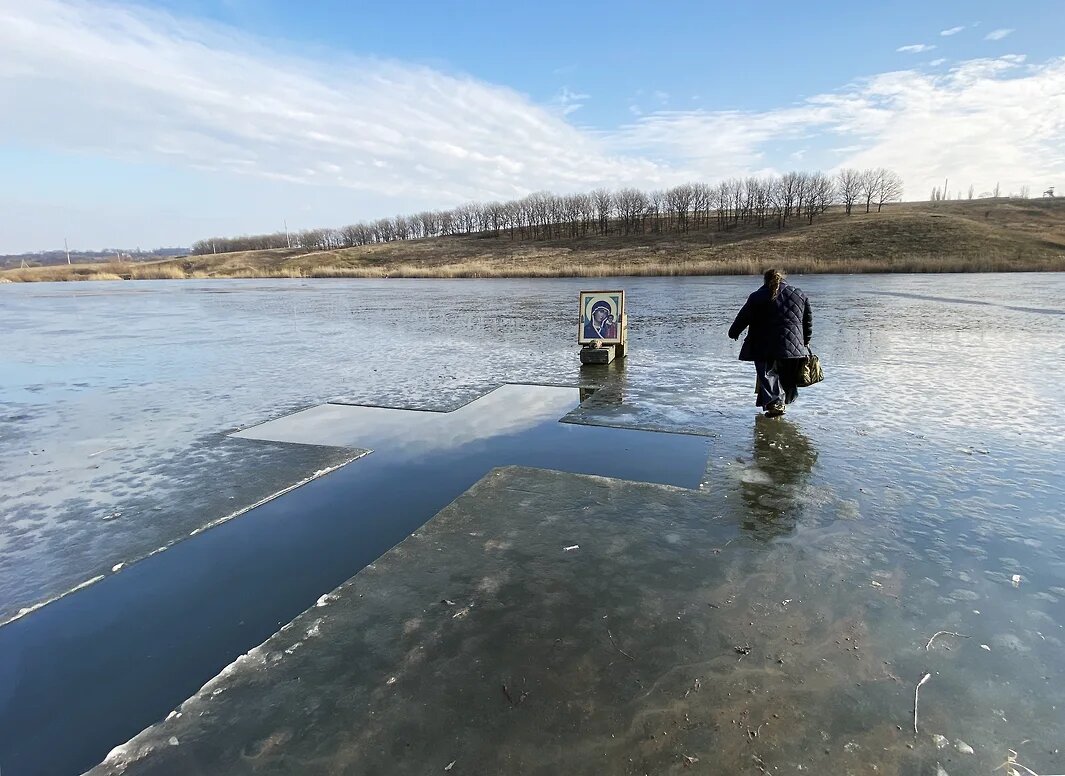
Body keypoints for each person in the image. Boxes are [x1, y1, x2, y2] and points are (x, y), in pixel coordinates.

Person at [728, 268, 812, 417]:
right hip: (794, 345)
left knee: (768, 374)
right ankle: (778, 404)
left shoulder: (757, 297)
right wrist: (805, 341)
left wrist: (733, 332)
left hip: (763, 345)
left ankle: (775, 404)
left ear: (765, 280)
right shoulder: (799, 294)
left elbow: (743, 318)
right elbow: (807, 321)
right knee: (785, 375)